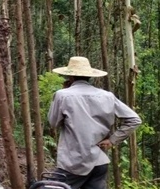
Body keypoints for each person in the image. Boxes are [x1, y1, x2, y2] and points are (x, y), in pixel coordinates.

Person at [48, 56, 142, 189]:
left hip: (73, 162)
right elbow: (134, 119)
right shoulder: (107, 96)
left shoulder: (62, 95)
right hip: (99, 161)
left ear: (70, 77)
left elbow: (53, 123)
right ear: (89, 76)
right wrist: (112, 140)